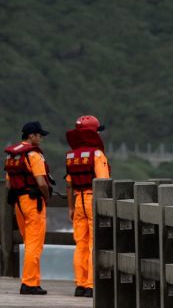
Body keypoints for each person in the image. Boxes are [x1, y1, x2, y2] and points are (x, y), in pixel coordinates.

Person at [4, 121, 53, 295]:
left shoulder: (12, 155)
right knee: (34, 244)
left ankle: (33, 281)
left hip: (18, 202)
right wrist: (46, 195)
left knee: (29, 242)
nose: (41, 138)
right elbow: (41, 182)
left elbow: (8, 184)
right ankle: (29, 283)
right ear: (31, 135)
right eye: (39, 135)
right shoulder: (33, 155)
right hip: (33, 202)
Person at [65, 115, 111, 298]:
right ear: (94, 133)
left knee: (80, 244)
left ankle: (80, 284)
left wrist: (70, 208)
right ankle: (91, 285)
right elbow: (103, 183)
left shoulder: (71, 156)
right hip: (93, 201)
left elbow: (69, 185)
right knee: (94, 243)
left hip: (78, 201)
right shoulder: (97, 155)